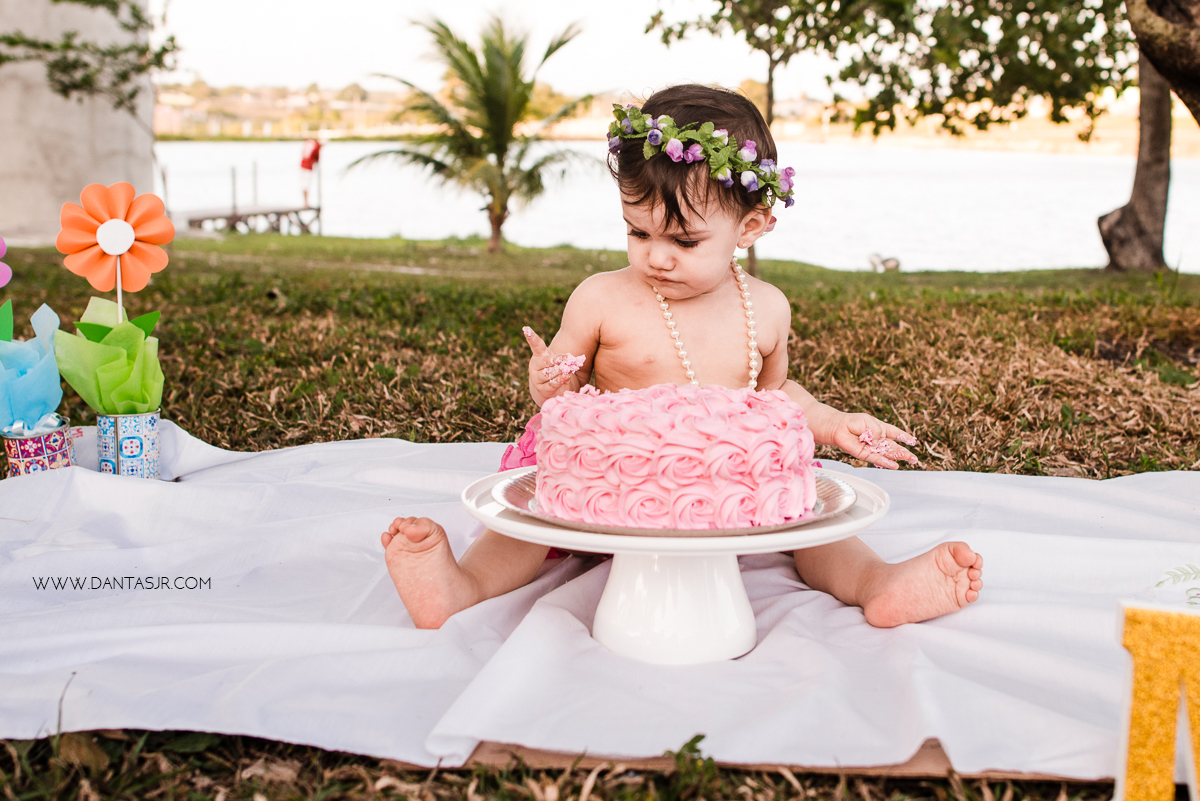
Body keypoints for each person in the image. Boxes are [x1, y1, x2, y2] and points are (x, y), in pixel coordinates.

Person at [382, 85, 983, 630]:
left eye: (684, 241)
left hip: (720, 488)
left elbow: (773, 399)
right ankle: (462, 586)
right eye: (638, 233)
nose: (657, 258)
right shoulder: (602, 297)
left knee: (812, 522)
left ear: (750, 227)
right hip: (599, 488)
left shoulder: (767, 308)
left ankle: (876, 584)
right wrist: (547, 383)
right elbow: (562, 398)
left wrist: (832, 423)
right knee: (527, 527)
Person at [300, 138, 321, 208]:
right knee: (306, 185)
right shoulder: (317, 146)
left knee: (304, 185)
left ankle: (305, 202)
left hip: (302, 166)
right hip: (308, 167)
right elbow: (317, 158)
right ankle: (306, 203)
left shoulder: (309, 142)